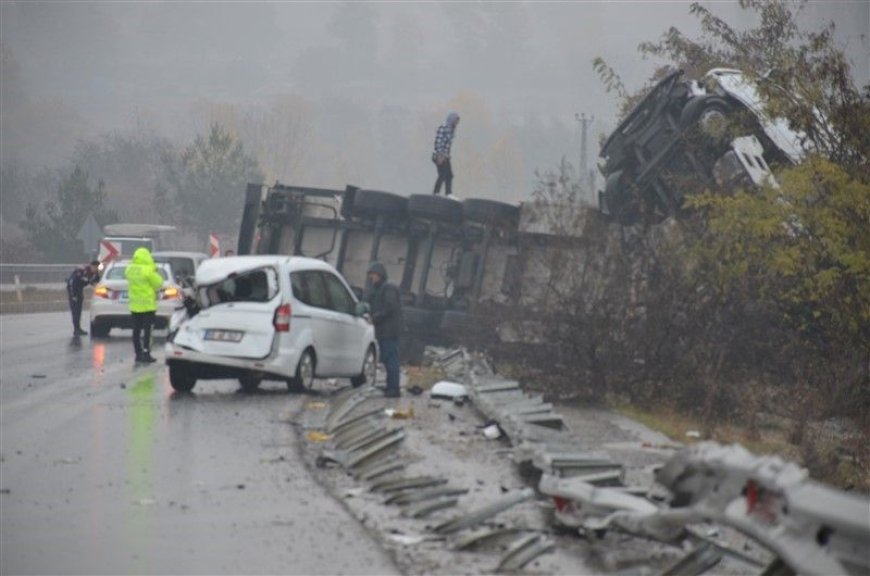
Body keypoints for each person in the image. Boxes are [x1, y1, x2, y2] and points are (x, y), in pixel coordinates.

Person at [363, 261, 403, 398]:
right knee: (388, 359)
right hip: (384, 330)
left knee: (391, 359)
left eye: (373, 275)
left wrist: (375, 318)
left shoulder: (388, 288)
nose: (371, 278)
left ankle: (393, 389)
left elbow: (389, 307)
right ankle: (391, 386)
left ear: (379, 275)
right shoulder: (378, 289)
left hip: (389, 331)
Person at [124, 247, 163, 364]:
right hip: (147, 306)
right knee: (148, 331)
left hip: (135, 305)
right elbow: (158, 283)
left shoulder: (129, 269)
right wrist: (154, 269)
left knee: (136, 330)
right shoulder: (148, 270)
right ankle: (146, 353)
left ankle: (138, 353)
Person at [66, 260, 101, 336]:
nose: (95, 269)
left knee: (79, 310)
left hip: (79, 290)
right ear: (91, 266)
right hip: (73, 290)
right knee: (75, 311)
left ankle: (78, 328)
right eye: (94, 267)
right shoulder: (81, 271)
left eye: (97, 268)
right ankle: (76, 329)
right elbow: (72, 282)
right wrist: (73, 295)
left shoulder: (95, 274)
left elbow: (96, 284)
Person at [432, 111, 460, 197]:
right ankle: (436, 193)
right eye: (456, 121)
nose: (457, 123)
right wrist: (440, 155)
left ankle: (448, 193)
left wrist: (447, 156)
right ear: (451, 119)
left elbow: (447, 146)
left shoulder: (451, 130)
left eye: (457, 122)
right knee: (443, 174)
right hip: (439, 155)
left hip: (445, 156)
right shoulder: (443, 127)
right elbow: (438, 142)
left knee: (449, 175)